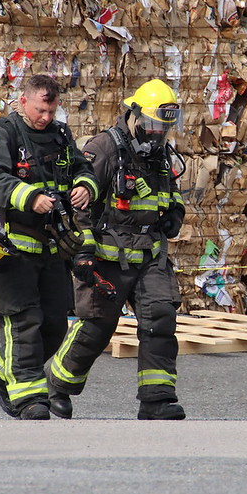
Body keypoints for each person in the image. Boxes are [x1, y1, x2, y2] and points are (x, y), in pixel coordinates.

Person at [45, 79, 188, 420]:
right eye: (153, 125)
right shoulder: (105, 148)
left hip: (150, 253)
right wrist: (83, 251)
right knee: (96, 327)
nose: (158, 133)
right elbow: (78, 203)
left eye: (164, 127)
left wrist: (176, 213)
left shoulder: (161, 152)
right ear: (134, 115)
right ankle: (57, 386)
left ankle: (157, 400)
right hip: (107, 256)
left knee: (160, 319)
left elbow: (171, 190)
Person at [0, 74, 99, 420]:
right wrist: (29, 197)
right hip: (10, 248)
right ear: (23, 102)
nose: (45, 117)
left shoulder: (59, 135)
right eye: (40, 110)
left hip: (51, 249)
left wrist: (86, 187)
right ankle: (29, 398)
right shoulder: (1, 133)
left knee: (55, 325)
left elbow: (82, 167)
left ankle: (1, 371)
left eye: (51, 110)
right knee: (24, 323)